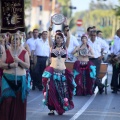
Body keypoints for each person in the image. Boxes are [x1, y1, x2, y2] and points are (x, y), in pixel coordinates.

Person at [42, 19, 76, 115]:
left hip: (62, 73)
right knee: (51, 90)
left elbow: (69, 36)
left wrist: (66, 26)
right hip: (52, 72)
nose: (59, 39)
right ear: (55, 39)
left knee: (62, 91)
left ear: (63, 39)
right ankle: (52, 108)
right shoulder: (52, 47)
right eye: (57, 38)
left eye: (60, 38)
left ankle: (61, 106)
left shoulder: (66, 47)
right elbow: (49, 36)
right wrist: (51, 25)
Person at [0, 34, 30, 120]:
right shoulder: (7, 51)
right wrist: (11, 65)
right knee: (7, 100)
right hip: (7, 79)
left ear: (20, 41)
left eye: (16, 39)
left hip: (20, 79)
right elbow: (1, 64)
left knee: (19, 102)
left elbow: (27, 66)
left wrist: (19, 61)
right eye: (13, 39)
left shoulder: (25, 52)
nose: (14, 41)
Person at [110, 29, 120, 93]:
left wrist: (118, 56)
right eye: (118, 32)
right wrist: (112, 53)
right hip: (115, 58)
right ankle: (115, 87)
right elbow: (112, 47)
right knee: (115, 73)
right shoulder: (115, 40)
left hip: (119, 57)